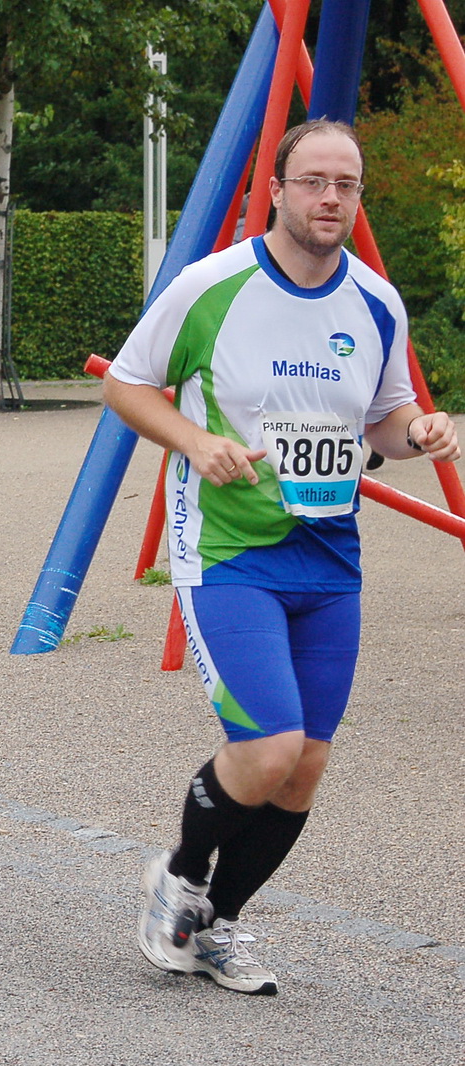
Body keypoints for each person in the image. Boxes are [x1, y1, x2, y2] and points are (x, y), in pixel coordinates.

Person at [105, 119, 461, 996]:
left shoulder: (376, 301)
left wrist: (416, 431)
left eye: (347, 183)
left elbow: (380, 418)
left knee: (305, 767)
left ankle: (218, 924)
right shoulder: (210, 285)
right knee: (269, 748)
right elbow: (123, 382)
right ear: (278, 186)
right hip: (228, 550)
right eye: (314, 181)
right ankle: (178, 876)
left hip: (330, 558)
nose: (331, 197)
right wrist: (194, 440)